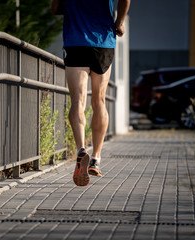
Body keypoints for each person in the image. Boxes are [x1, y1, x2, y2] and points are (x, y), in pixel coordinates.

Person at [51, 0, 130, 186]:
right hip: (103, 41)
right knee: (99, 101)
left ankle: (81, 150)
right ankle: (96, 158)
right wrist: (119, 22)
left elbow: (55, 8)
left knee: (78, 101)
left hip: (75, 41)